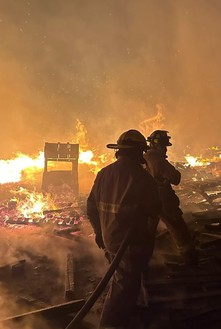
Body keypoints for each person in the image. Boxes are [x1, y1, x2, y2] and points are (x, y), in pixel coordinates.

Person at [86, 129, 162, 328]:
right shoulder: (143, 178)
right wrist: (148, 238)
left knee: (123, 279)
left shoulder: (103, 174)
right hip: (131, 245)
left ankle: (134, 307)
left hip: (109, 240)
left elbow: (91, 206)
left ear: (119, 151)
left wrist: (99, 232)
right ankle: (110, 324)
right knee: (122, 288)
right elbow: (154, 211)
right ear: (138, 152)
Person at [144, 130, 198, 265]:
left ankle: (145, 259)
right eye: (164, 146)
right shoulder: (158, 160)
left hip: (147, 201)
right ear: (157, 146)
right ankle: (189, 258)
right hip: (163, 201)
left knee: (148, 231)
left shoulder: (144, 158)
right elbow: (175, 178)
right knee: (178, 229)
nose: (166, 149)